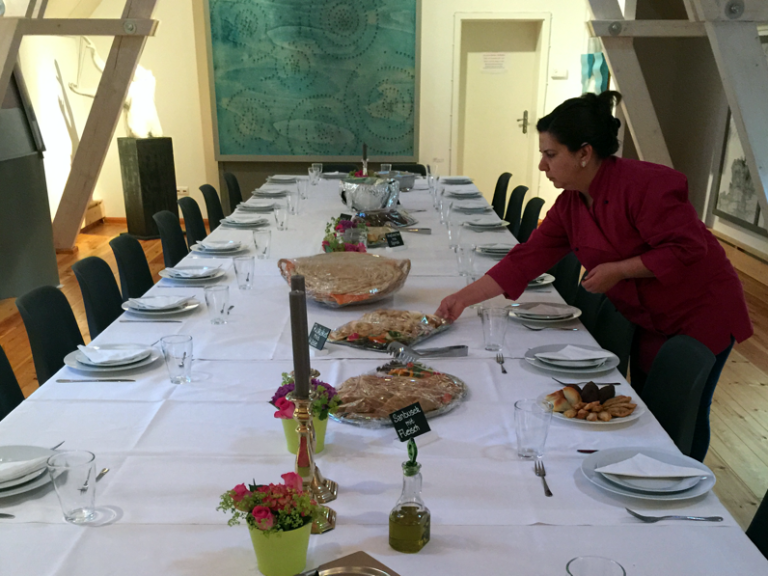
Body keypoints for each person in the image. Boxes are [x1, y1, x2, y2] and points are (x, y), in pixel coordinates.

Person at [436, 91, 752, 461]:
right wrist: (463, 298)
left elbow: (686, 249)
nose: (542, 165)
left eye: (550, 154)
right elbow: (525, 259)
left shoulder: (646, 185)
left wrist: (619, 271)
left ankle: (688, 492)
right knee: (649, 412)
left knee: (682, 416)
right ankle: (650, 475)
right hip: (650, 318)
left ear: (584, 153)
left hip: (700, 312)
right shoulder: (572, 201)